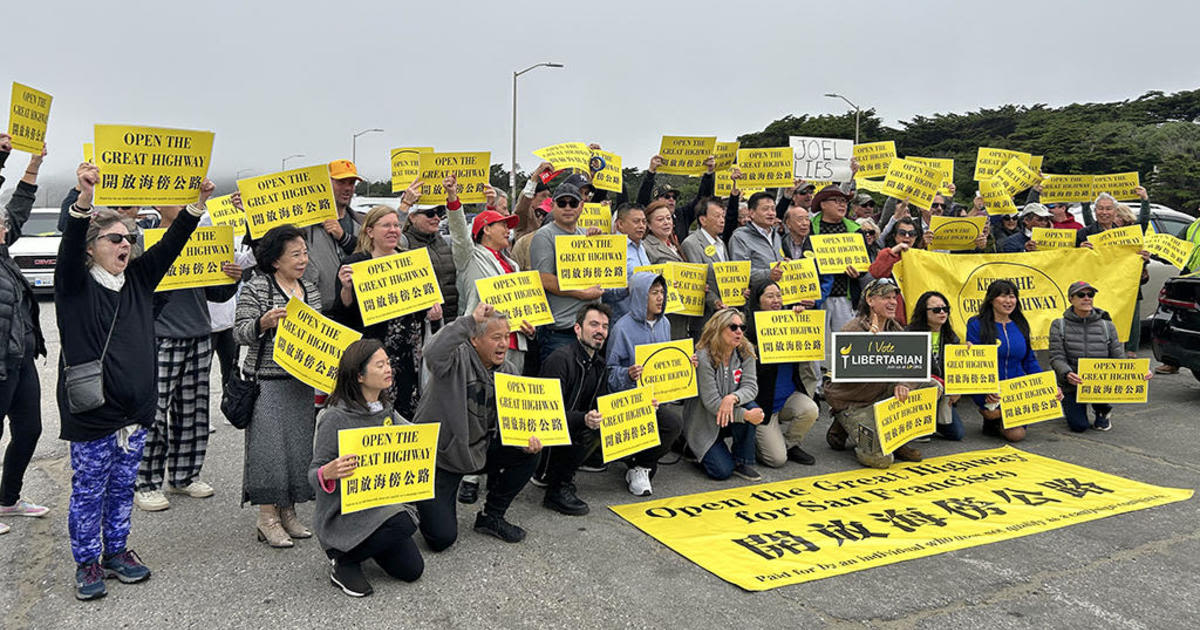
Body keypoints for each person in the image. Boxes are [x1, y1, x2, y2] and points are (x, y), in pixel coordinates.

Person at [56, 163, 209, 600]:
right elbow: (68, 247)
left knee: (123, 486)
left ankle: (117, 552)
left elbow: (172, 245)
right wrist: (84, 200)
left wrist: (196, 205)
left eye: (130, 239)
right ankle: (87, 562)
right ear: (92, 248)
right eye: (116, 238)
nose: (127, 244)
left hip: (136, 412)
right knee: (89, 491)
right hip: (93, 412)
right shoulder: (75, 286)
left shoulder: (139, 281)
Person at [133, 204, 243, 512]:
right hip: (160, 334)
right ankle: (147, 482)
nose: (182, 203)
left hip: (199, 331)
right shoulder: (144, 241)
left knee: (193, 411)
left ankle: (184, 476)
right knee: (154, 413)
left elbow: (216, 294)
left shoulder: (202, 239)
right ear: (157, 203)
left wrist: (230, 278)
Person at [414, 302, 542, 548]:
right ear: (474, 339)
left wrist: (524, 442)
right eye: (496, 337)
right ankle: (418, 497)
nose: (504, 344)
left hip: (478, 450)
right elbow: (432, 353)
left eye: (507, 336)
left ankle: (491, 516)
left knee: (531, 452)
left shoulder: (509, 371)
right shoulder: (454, 360)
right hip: (441, 458)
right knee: (441, 539)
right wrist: (468, 321)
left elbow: (515, 419)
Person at [309, 339, 424, 597]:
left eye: (388, 363)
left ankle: (368, 545)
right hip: (344, 513)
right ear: (360, 376)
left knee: (412, 570)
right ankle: (343, 560)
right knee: (404, 523)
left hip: (377, 504)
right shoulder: (334, 418)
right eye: (380, 365)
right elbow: (313, 474)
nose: (389, 369)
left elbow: (415, 435)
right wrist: (328, 473)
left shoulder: (385, 409)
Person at [234, 224, 322, 549]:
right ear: (275, 260)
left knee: (299, 448)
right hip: (266, 380)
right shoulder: (257, 288)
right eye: (295, 254)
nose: (303, 259)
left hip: (301, 380)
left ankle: (289, 512)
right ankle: (266, 517)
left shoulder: (309, 289)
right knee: (269, 450)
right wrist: (263, 323)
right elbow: (238, 332)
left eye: (304, 252)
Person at [330, 205, 443, 420]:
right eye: (386, 225)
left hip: (409, 354)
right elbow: (343, 314)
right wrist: (346, 288)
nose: (393, 230)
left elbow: (425, 307)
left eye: (396, 225)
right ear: (370, 231)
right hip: (372, 354)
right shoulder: (355, 264)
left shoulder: (411, 261)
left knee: (407, 412)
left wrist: (433, 315)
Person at [0, 137, 50, 532]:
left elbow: (18, 207)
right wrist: (1, 157)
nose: (4, 224)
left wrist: (33, 165)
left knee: (29, 429)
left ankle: (8, 500)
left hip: (22, 359)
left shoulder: (5, 253)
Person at [598, 274, 686, 496]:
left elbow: (667, 361)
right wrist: (628, 374)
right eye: (654, 292)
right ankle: (638, 463)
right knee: (668, 425)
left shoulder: (665, 323)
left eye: (662, 292)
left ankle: (640, 465)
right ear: (639, 295)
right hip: (630, 401)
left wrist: (685, 363)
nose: (660, 298)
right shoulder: (622, 328)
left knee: (674, 424)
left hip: (656, 399)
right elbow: (609, 373)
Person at [823, 279, 924, 468]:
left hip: (881, 395)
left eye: (894, 298)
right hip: (855, 403)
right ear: (870, 301)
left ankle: (898, 439)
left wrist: (904, 384)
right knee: (880, 460)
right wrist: (869, 346)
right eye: (886, 297)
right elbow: (842, 376)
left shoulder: (896, 328)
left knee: (933, 387)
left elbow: (914, 366)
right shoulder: (851, 330)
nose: (893, 302)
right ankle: (842, 423)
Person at [1049, 281, 1152, 432]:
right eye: (1081, 295)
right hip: (1072, 384)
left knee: (1096, 417)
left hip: (1100, 385)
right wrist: (1067, 373)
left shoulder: (1107, 325)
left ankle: (1102, 409)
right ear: (1071, 299)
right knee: (1079, 426)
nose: (1087, 298)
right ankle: (1075, 406)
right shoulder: (1059, 325)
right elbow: (1056, 357)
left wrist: (1137, 373)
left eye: (1090, 294)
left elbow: (1118, 357)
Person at [966, 279, 1059, 442]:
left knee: (1017, 435)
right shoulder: (976, 324)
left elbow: (1030, 361)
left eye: (1012, 296)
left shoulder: (1020, 323)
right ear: (991, 299)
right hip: (990, 390)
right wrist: (986, 390)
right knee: (999, 419)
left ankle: (998, 418)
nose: (1008, 301)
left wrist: (1047, 386)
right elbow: (974, 364)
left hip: (1017, 392)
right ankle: (992, 416)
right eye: (1002, 296)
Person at [743, 279, 820, 466]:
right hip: (763, 404)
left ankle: (790, 444)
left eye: (778, 295)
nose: (776, 300)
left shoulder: (791, 322)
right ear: (758, 300)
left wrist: (801, 318)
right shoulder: (745, 330)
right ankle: (761, 443)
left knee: (810, 410)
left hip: (788, 398)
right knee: (776, 460)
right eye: (769, 296)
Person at [685, 308, 764, 481]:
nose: (739, 332)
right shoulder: (704, 356)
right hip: (705, 420)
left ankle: (742, 460)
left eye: (742, 328)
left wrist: (733, 398)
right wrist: (745, 415)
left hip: (728, 414)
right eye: (733, 327)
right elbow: (712, 403)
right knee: (721, 472)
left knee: (752, 405)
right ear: (718, 328)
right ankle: (692, 447)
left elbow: (751, 387)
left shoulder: (746, 350)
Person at [530, 182, 604, 362]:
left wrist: (598, 242)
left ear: (582, 206)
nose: (568, 208)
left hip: (589, 331)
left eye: (573, 203)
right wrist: (582, 294)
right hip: (562, 332)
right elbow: (545, 279)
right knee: (560, 386)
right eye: (562, 203)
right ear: (553, 205)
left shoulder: (584, 235)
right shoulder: (544, 235)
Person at [302, 159, 362, 314]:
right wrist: (251, 214)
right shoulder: (305, 227)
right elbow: (271, 249)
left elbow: (391, 248)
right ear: (325, 184)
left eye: (351, 183)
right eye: (341, 182)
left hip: (358, 313)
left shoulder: (362, 223)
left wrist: (343, 237)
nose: (348, 188)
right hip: (321, 314)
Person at [907, 291, 965, 440]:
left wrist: (957, 390)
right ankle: (918, 422)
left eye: (945, 309)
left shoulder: (952, 338)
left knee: (957, 434)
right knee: (933, 383)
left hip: (943, 393)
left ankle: (933, 420)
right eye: (936, 310)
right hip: (917, 390)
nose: (942, 313)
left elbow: (956, 369)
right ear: (923, 312)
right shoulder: (909, 334)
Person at [400, 177, 459, 322]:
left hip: (450, 321)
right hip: (422, 323)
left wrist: (453, 197)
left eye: (439, 212)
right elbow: (388, 237)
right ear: (412, 217)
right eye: (430, 214)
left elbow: (463, 235)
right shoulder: (405, 243)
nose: (437, 218)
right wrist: (405, 205)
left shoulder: (445, 242)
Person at [810, 185, 865, 342]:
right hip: (818, 297)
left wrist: (858, 272)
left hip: (845, 296)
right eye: (836, 200)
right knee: (820, 345)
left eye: (844, 201)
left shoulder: (855, 230)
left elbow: (865, 263)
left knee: (845, 343)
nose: (842, 205)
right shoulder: (810, 227)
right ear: (823, 204)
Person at [680, 198, 731, 337]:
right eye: (717, 216)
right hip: (706, 319)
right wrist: (715, 302)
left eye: (723, 216)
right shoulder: (692, 244)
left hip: (725, 316)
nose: (722, 220)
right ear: (703, 220)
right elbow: (699, 282)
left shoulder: (721, 243)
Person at [868, 215, 923, 326]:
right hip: (894, 317)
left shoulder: (922, 257)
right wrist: (895, 251)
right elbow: (876, 272)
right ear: (894, 235)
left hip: (916, 315)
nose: (907, 236)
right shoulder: (888, 253)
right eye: (902, 233)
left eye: (912, 234)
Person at [602, 203, 650, 322]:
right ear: (620, 224)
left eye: (644, 222)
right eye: (636, 221)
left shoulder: (641, 247)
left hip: (643, 318)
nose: (641, 226)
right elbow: (604, 291)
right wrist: (628, 289)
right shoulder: (610, 248)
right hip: (621, 320)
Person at [728, 191, 786, 287]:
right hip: (755, 296)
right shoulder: (740, 237)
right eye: (765, 209)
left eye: (773, 209)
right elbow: (740, 272)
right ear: (752, 213)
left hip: (777, 294)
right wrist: (768, 274)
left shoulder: (776, 236)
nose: (771, 213)